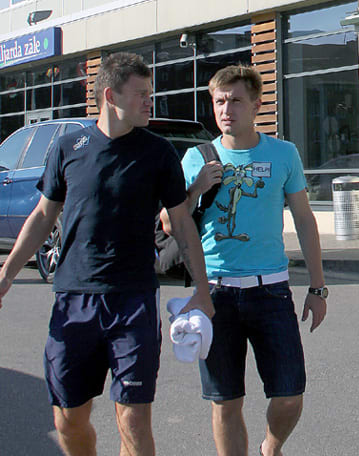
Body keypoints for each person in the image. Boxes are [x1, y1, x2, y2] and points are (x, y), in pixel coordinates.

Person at [0, 52, 214, 456]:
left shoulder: (157, 152)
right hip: (74, 297)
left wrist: (202, 291)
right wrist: (7, 273)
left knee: (133, 420)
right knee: (68, 419)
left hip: (133, 299)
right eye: (141, 94)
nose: (150, 101)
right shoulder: (68, 148)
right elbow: (43, 216)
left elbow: (182, 222)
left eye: (150, 93)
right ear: (111, 96)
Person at [160, 65, 327, 456]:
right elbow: (168, 222)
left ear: (256, 105)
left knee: (289, 394)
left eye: (235, 100)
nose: (226, 109)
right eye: (219, 101)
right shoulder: (196, 157)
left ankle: (271, 447)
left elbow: (304, 219)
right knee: (225, 401)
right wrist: (196, 188)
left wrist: (318, 288)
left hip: (271, 291)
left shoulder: (283, 154)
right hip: (214, 294)